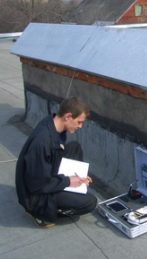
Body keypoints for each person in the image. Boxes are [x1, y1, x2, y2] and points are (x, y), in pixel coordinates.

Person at [15, 97, 97, 227]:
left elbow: (55, 154)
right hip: (35, 196)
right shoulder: (42, 141)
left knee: (74, 147)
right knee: (90, 202)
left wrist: (78, 178)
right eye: (79, 122)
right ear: (68, 116)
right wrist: (69, 181)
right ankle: (43, 215)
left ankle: (71, 190)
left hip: (47, 173)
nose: (80, 126)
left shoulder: (53, 123)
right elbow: (38, 184)